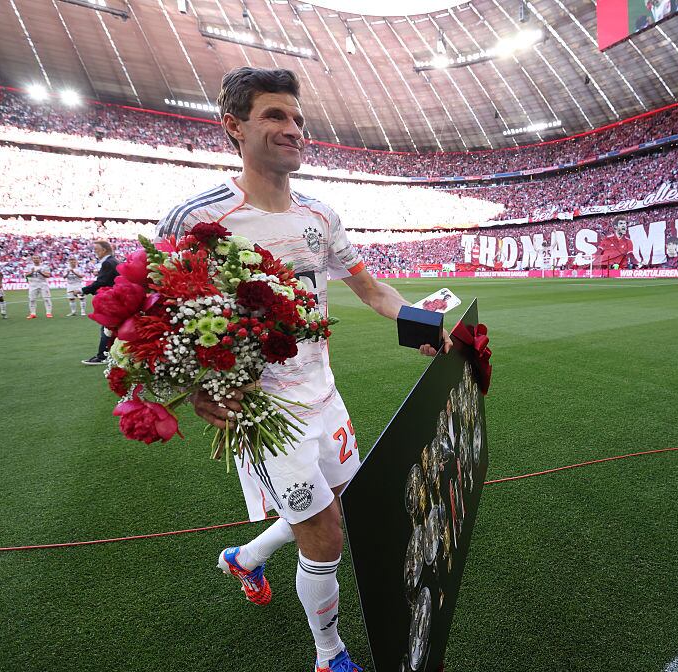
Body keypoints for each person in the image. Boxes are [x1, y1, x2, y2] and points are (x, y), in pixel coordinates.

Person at [155, 67, 451, 672]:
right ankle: (329, 655)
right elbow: (154, 315)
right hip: (265, 412)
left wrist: (423, 327)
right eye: (274, 116)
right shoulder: (197, 220)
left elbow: (371, 289)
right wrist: (192, 388)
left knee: (344, 504)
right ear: (233, 128)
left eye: (296, 118)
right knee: (325, 534)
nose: (292, 129)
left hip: (325, 394)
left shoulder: (320, 215)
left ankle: (244, 557)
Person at [80, 240, 119, 364]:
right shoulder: (113, 261)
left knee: (106, 328)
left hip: (110, 299)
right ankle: (108, 354)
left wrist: (83, 290)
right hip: (115, 298)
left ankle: (102, 356)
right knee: (110, 328)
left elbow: (101, 282)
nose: (95, 252)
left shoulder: (108, 263)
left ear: (104, 250)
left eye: (96, 249)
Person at [25, 254, 53, 319]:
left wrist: (41, 272)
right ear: (32, 259)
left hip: (43, 284)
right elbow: (26, 275)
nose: (35, 259)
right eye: (34, 258)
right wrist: (31, 272)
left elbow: (48, 275)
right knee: (32, 299)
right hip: (33, 285)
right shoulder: (29, 266)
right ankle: (32, 313)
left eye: (37, 258)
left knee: (46, 298)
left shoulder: (45, 266)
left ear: (40, 259)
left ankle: (48, 313)